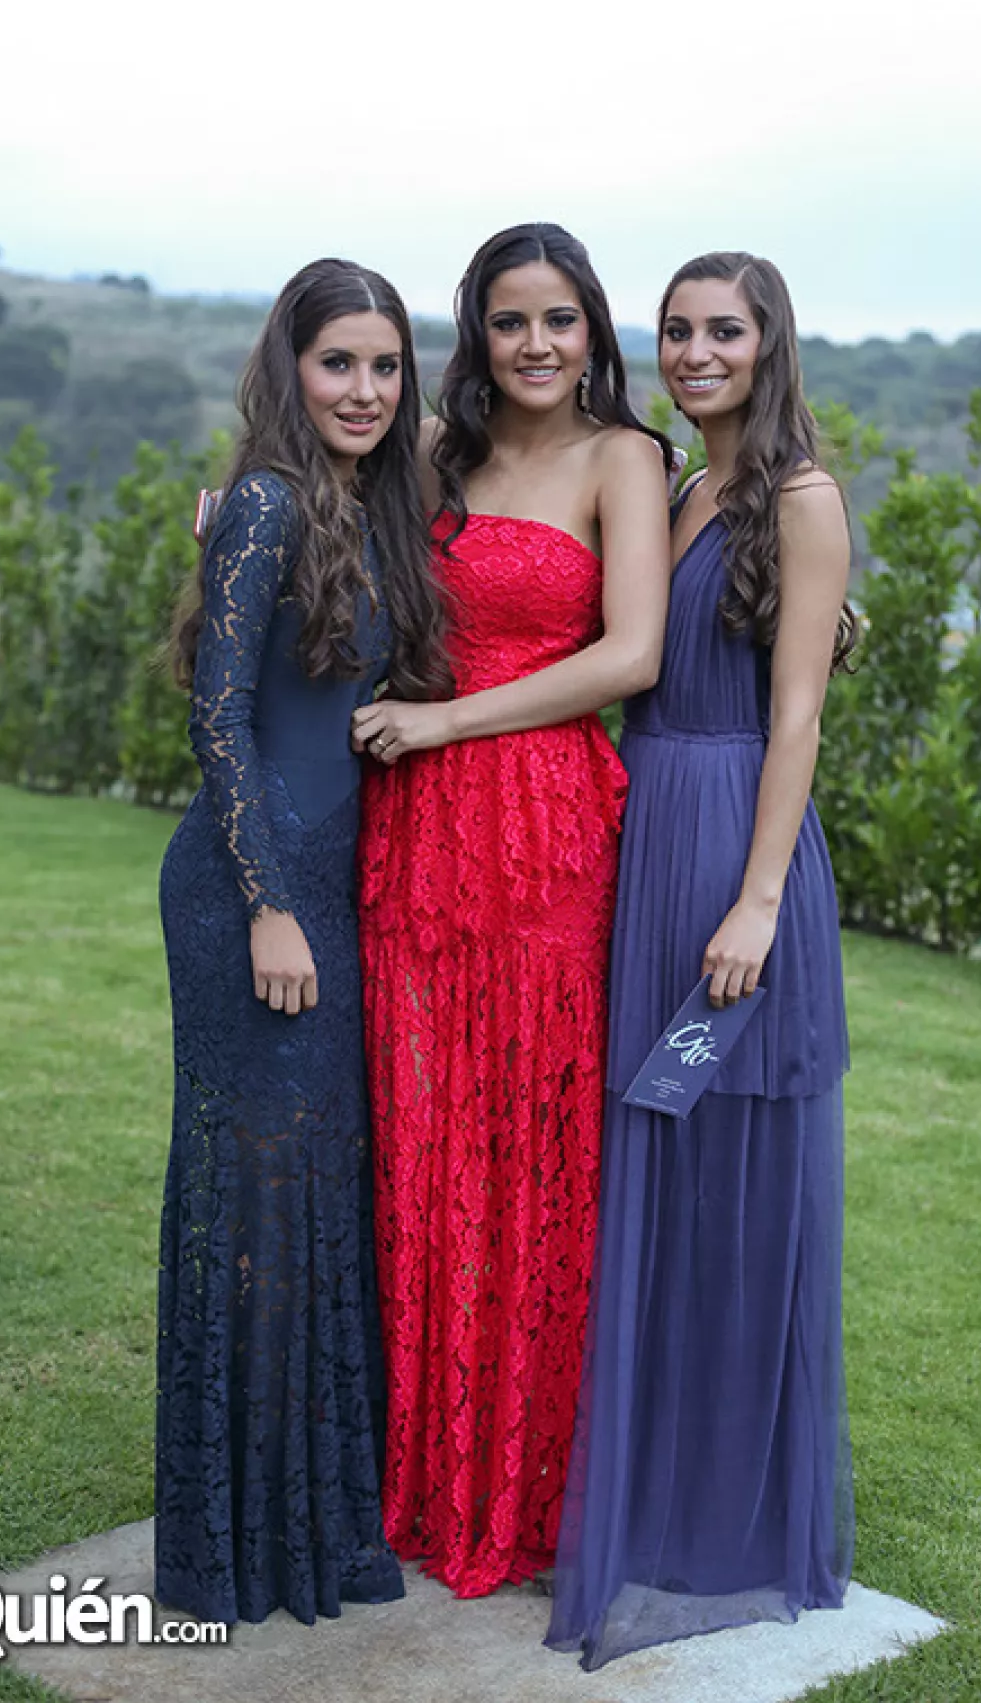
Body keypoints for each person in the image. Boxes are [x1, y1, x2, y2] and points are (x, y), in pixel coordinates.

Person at [350, 222, 672, 1597]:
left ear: (593, 327)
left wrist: (446, 722)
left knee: (537, 1149)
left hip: (544, 830)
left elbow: (633, 652)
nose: (535, 345)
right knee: (423, 1142)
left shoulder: (625, 460)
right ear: (474, 336)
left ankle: (532, 1488)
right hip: (414, 839)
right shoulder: (438, 461)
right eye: (507, 322)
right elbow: (345, 552)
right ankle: (415, 1474)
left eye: (558, 320)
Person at [547, 252, 858, 1669]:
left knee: (738, 1178)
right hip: (649, 846)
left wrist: (759, 899)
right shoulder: (677, 486)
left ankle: (739, 1521)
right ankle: (662, 1496)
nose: (693, 350)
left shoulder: (799, 497)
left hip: (738, 864)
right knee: (658, 1187)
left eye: (722, 330)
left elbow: (796, 717)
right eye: (675, 330)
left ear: (769, 341)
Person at [156, 258, 448, 1626]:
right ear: (291, 366)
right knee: (256, 1199)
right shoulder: (268, 502)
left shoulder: (360, 501)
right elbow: (218, 716)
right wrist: (269, 900)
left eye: (388, 366)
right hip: (248, 892)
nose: (367, 390)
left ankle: (309, 1519)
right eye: (339, 362)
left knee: (318, 1197)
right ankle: (236, 1538)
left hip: (329, 889)